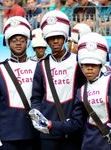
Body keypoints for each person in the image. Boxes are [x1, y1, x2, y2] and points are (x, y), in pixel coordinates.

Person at [29, 32, 111, 150]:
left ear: (101, 64)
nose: (89, 68)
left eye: (94, 64)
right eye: (85, 65)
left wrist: (106, 100)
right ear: (81, 65)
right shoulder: (81, 92)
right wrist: (50, 124)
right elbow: (75, 123)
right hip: (91, 144)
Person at [29, 10, 86, 150]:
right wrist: (37, 117)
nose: (55, 41)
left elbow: (84, 94)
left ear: (65, 37)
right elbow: (36, 97)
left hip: (73, 131)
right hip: (49, 133)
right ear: (46, 40)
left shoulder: (78, 62)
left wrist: (76, 118)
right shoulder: (41, 64)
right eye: (51, 38)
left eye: (59, 37)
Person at [0, 16, 40, 150]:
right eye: (14, 40)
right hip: (6, 135)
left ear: (28, 42)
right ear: (7, 43)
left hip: (34, 133)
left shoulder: (38, 66)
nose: (18, 43)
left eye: (22, 40)